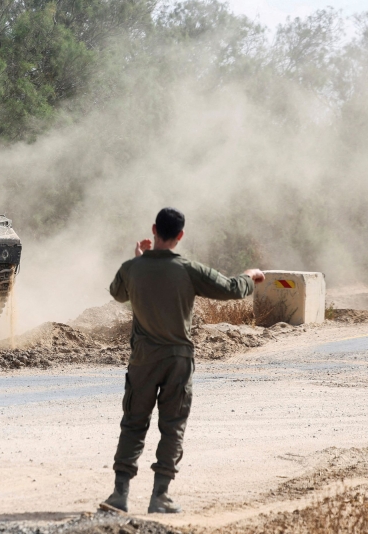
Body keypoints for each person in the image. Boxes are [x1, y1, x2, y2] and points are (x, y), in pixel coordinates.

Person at [102, 207, 265, 514]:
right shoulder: (187, 269)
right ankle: (160, 496)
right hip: (178, 359)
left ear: (153, 229)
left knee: (134, 424)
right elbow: (231, 289)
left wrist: (138, 260)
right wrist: (249, 276)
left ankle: (120, 494)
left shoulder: (132, 268)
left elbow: (117, 293)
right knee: (172, 426)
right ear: (180, 236)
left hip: (143, 359)